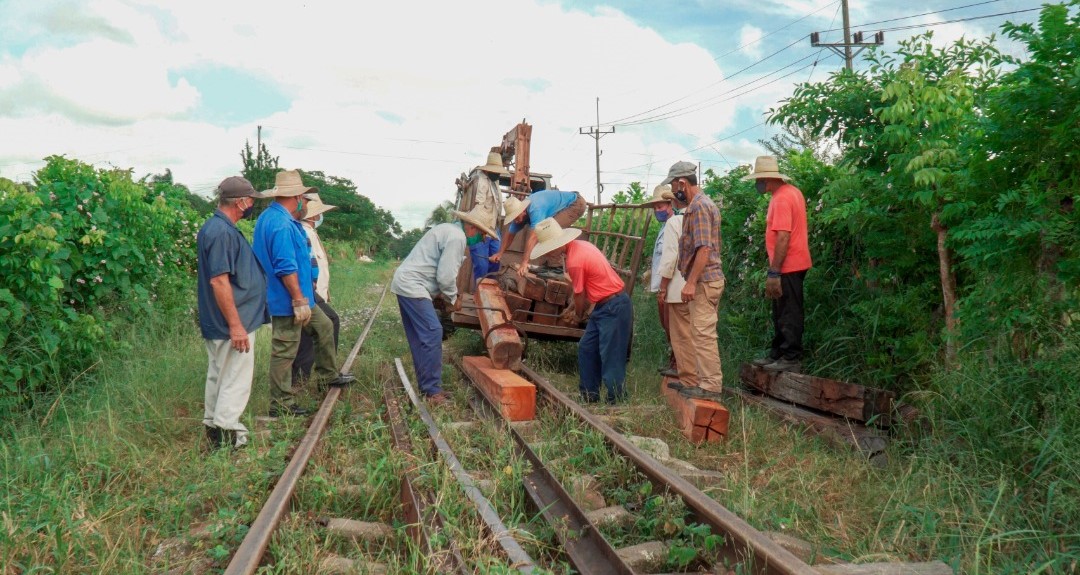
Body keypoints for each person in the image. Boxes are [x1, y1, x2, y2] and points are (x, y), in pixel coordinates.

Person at [253, 170, 354, 418]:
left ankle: (327, 375)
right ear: (297, 196)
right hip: (287, 298)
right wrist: (298, 300)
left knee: (325, 326)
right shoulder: (280, 224)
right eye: (306, 199)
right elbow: (286, 266)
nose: (307, 204)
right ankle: (280, 403)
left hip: (302, 296)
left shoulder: (278, 219)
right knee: (285, 349)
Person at [391, 206, 497, 406]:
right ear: (472, 228)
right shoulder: (457, 237)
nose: (483, 239)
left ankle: (428, 387)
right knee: (432, 332)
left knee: (421, 337)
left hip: (409, 284)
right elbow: (446, 276)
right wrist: (452, 297)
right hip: (413, 285)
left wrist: (439, 295)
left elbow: (435, 268)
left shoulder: (449, 230)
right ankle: (432, 392)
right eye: (483, 234)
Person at [196, 176, 270, 450]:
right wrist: (236, 326)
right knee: (235, 378)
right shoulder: (221, 232)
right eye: (250, 199)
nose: (252, 204)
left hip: (222, 320)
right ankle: (227, 435)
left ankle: (213, 427)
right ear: (240, 202)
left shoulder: (217, 228)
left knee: (219, 374)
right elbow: (219, 281)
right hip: (231, 321)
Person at [530, 218, 632, 404]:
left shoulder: (574, 261)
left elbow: (579, 295)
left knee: (611, 357)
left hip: (614, 306)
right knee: (587, 348)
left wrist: (577, 315)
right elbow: (584, 290)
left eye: (549, 248)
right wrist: (573, 309)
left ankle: (617, 403)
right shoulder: (581, 245)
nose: (550, 253)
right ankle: (589, 396)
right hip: (603, 306)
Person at [662, 161, 725, 400]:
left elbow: (704, 249)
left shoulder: (699, 207)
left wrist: (690, 282)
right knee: (699, 334)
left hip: (705, 282)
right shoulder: (698, 206)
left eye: (674, 185)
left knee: (703, 334)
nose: (674, 191)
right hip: (705, 280)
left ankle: (710, 387)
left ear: (682, 183)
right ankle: (702, 383)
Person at [744, 156, 812, 372]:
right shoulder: (791, 192)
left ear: (766, 178)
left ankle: (791, 357)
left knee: (788, 311)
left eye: (759, 180)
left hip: (789, 264)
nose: (758, 184)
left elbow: (783, 236)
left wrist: (774, 272)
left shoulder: (781, 198)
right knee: (781, 310)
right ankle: (779, 353)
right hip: (792, 262)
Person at [292, 195, 341, 386]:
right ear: (314, 215)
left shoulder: (310, 231)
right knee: (328, 323)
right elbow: (308, 264)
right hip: (310, 293)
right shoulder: (305, 232)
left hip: (315, 293)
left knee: (308, 335)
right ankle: (325, 374)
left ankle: (303, 378)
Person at [491, 189, 587, 272]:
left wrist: (524, 263)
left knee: (549, 232)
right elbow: (509, 235)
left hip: (574, 204)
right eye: (513, 218)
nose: (515, 220)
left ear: (522, 211)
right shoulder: (519, 216)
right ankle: (547, 266)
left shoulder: (535, 209)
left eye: (516, 217)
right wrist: (500, 253)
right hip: (561, 206)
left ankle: (556, 268)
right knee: (544, 234)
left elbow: (533, 237)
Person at [642, 184, 681, 377]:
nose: (658, 211)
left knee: (673, 327)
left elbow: (671, 259)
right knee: (668, 328)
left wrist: (663, 288)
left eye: (661, 206)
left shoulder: (675, 225)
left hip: (670, 288)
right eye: (655, 207)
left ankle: (678, 365)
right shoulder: (665, 227)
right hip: (663, 286)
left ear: (670, 204)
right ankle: (675, 362)